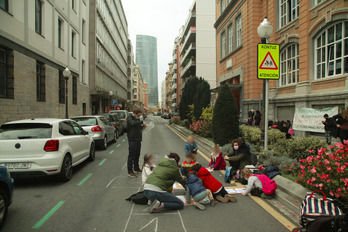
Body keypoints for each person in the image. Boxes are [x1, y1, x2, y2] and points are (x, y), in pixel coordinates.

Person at [127, 108, 147, 177]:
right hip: (132, 139)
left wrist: (142, 126)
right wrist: (141, 122)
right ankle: (130, 171)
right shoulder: (129, 118)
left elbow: (139, 128)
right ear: (136, 113)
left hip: (138, 139)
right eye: (139, 114)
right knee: (131, 155)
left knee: (137, 154)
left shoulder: (137, 119)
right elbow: (132, 124)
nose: (140, 115)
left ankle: (136, 168)